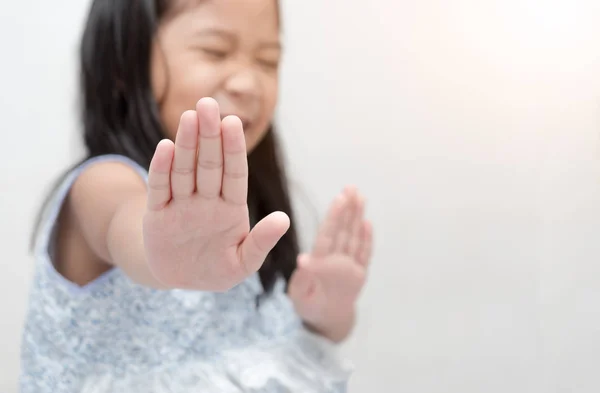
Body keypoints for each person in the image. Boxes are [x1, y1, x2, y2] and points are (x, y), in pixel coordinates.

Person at [20, 0, 373, 391]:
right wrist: (161, 255)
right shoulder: (103, 184)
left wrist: (325, 314)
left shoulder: (241, 203)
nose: (249, 83)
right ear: (123, 65)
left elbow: (285, 355)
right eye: (214, 51)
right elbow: (130, 225)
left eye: (268, 60)